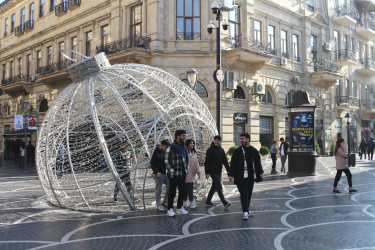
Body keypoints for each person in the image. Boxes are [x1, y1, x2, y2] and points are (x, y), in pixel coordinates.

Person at [229, 133, 264, 220]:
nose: (241, 140)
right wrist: (231, 174)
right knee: (244, 194)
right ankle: (245, 212)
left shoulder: (254, 151)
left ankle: (247, 210)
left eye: (243, 139)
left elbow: (258, 163)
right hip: (240, 177)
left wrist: (260, 173)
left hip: (250, 177)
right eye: (240, 139)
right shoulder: (237, 151)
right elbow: (233, 164)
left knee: (248, 194)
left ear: (248, 139)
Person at [165, 129, 189, 217]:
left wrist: (186, 169)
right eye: (183, 136)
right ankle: (170, 209)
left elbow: (186, 159)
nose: (184, 137)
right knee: (172, 192)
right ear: (177, 136)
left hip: (182, 173)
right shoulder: (171, 147)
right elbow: (167, 160)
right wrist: (173, 171)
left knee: (182, 191)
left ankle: (179, 207)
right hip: (173, 175)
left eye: (185, 135)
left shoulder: (184, 147)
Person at [204, 135, 231, 208]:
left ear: (220, 141)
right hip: (212, 171)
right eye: (215, 140)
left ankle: (208, 201)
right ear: (214, 141)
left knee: (214, 186)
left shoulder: (221, 150)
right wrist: (207, 173)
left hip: (219, 171)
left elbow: (225, 161)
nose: (216, 142)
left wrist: (229, 171)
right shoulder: (210, 150)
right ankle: (224, 202)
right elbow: (207, 162)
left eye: (218, 140)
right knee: (219, 186)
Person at [150, 140, 170, 212]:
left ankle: (165, 201)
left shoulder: (164, 152)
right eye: (165, 147)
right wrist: (157, 172)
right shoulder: (156, 152)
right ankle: (158, 205)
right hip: (158, 174)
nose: (166, 149)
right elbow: (152, 164)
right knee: (158, 190)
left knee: (169, 186)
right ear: (162, 145)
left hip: (164, 173)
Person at [183, 139, 201, 209]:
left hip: (192, 173)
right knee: (189, 187)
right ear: (187, 144)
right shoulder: (185, 152)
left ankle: (184, 201)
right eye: (191, 143)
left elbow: (197, 163)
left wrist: (198, 172)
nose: (192, 145)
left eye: (193, 143)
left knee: (187, 188)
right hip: (186, 173)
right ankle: (191, 202)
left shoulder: (194, 153)